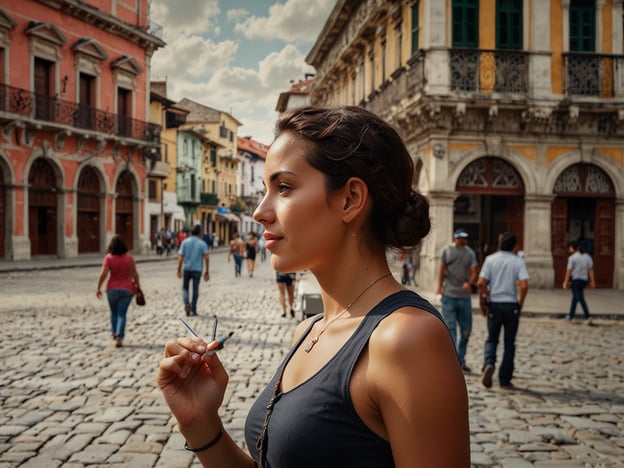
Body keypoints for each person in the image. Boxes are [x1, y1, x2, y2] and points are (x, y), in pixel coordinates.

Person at [157, 105, 470, 467]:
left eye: (284, 187)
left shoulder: (407, 340)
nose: (260, 211)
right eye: (265, 189)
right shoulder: (307, 331)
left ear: (350, 199)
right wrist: (200, 424)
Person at [477, 231, 529, 390]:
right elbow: (524, 284)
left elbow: (481, 283)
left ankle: (489, 363)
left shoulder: (490, 259)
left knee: (492, 339)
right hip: (511, 305)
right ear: (515, 246)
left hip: (494, 305)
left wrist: (484, 300)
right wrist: (520, 302)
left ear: (499, 243)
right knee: (509, 343)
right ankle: (505, 379)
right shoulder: (517, 261)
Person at [437, 228, 479, 372]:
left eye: (465, 238)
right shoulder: (447, 251)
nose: (463, 240)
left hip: (464, 297)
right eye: (461, 237)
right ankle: (453, 361)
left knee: (466, 330)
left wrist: (470, 282)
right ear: (455, 238)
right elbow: (442, 269)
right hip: (449, 295)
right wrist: (439, 287)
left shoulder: (470, 253)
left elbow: (474, 270)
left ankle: (460, 359)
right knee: (450, 329)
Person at [96, 235, 141, 348]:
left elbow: (104, 274)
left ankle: (114, 332)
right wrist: (138, 286)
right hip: (127, 289)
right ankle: (119, 337)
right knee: (122, 313)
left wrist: (98, 288)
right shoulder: (129, 258)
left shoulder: (109, 258)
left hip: (112, 289)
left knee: (114, 312)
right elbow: (135, 274)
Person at [177, 224, 210, 316]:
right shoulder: (202, 243)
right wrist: (207, 271)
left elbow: (181, 257)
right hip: (197, 269)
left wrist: (179, 269)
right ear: (200, 232)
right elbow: (206, 257)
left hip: (187, 268)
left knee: (185, 288)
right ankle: (193, 309)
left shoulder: (185, 242)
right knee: (195, 289)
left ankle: (187, 302)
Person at [563, 240, 595, 325]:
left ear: (574, 248)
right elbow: (590, 270)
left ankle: (588, 317)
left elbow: (569, 271)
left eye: (570, 247)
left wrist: (565, 282)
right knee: (575, 298)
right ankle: (570, 315)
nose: (569, 249)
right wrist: (592, 281)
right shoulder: (588, 257)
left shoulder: (572, 258)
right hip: (584, 280)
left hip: (576, 280)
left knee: (580, 298)